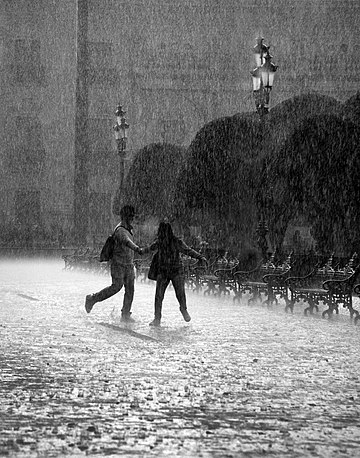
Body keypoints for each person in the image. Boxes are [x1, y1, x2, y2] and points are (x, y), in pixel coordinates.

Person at [84, 205, 143, 322]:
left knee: (130, 290)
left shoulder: (129, 229)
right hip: (118, 264)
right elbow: (127, 242)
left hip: (129, 264)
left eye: (132, 216)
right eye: (130, 216)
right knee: (116, 287)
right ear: (124, 216)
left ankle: (125, 314)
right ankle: (92, 298)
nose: (132, 218)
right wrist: (138, 249)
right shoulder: (120, 230)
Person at [144, 222, 207, 327]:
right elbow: (149, 249)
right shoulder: (160, 242)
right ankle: (159, 318)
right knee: (165, 295)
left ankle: (179, 311)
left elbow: (187, 250)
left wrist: (200, 257)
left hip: (174, 271)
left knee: (170, 294)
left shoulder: (175, 241)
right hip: (165, 271)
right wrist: (139, 249)